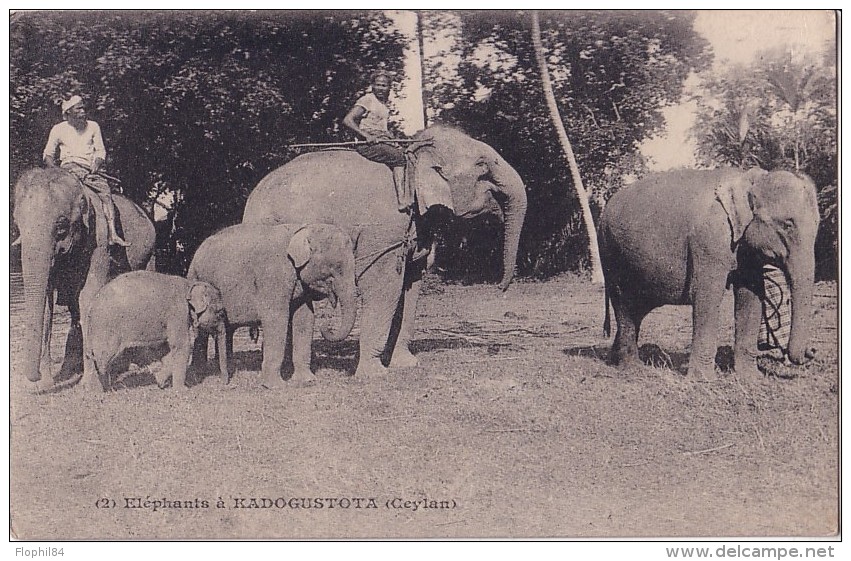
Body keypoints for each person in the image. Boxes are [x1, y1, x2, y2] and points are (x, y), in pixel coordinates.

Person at [43, 95, 129, 246]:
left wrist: (96, 163)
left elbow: (100, 151)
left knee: (105, 193)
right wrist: (54, 170)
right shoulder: (58, 129)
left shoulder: (93, 126)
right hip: (67, 169)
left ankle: (112, 234)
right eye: (79, 109)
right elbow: (48, 153)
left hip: (88, 171)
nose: (83, 111)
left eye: (83, 108)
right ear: (69, 112)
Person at [343, 70, 412, 211]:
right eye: (378, 85)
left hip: (381, 141)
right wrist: (366, 135)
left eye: (384, 85)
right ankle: (401, 200)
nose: (381, 88)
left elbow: (381, 129)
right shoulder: (367, 100)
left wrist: (393, 140)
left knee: (407, 153)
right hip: (367, 144)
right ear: (372, 85)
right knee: (398, 158)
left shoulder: (383, 104)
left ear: (389, 87)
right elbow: (348, 120)